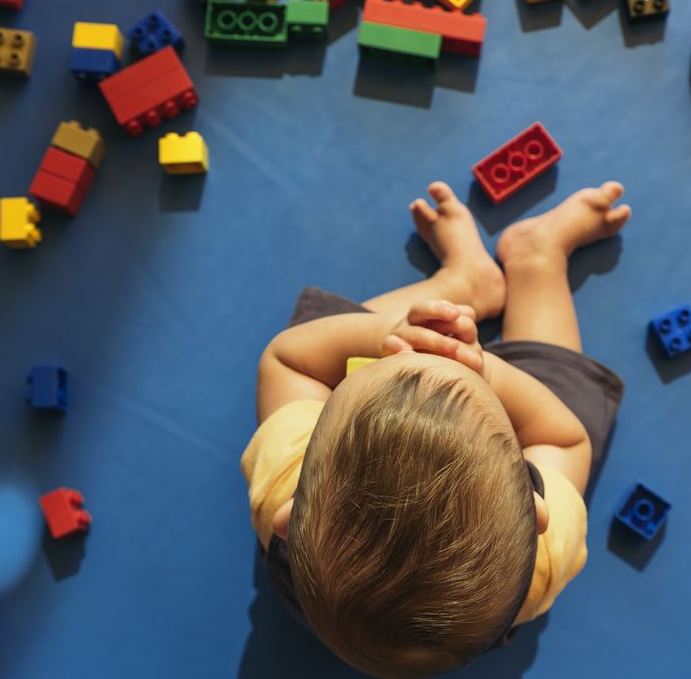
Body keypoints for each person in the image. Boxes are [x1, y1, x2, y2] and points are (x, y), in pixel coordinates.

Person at [243, 181, 630, 678]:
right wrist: (484, 373)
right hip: (476, 618)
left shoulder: (284, 477)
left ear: (289, 518)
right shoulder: (542, 561)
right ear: (536, 514)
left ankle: (463, 284)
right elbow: (563, 437)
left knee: (323, 329)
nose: (440, 349)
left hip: (317, 606)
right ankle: (537, 261)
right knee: (564, 386)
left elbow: (287, 358)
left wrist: (390, 337)